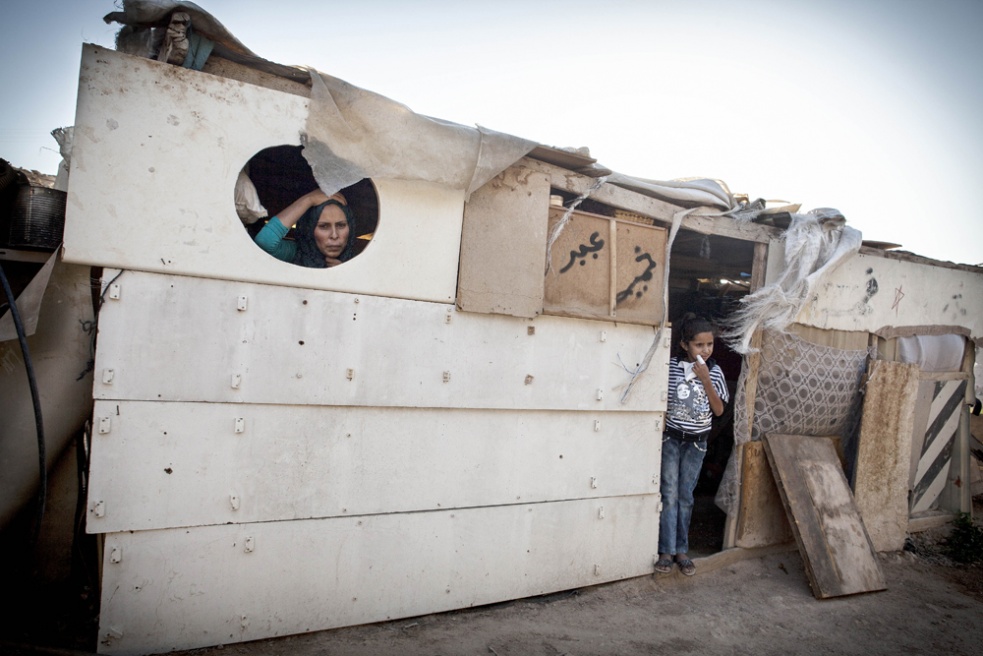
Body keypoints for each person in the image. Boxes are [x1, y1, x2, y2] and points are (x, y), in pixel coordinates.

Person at [655, 314, 729, 577]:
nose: (705, 350)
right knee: (669, 494)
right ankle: (665, 551)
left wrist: (706, 379)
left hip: (697, 445)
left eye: (709, 345)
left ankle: (682, 551)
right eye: (699, 345)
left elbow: (719, 410)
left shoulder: (716, 371)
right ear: (685, 345)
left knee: (686, 496)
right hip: (672, 439)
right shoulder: (671, 366)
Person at [254, 189, 356, 268]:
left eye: (341, 225)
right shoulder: (297, 253)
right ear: (309, 230)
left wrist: (345, 275)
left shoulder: (359, 263)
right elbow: (265, 242)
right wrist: (309, 199)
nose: (334, 235)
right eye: (324, 226)